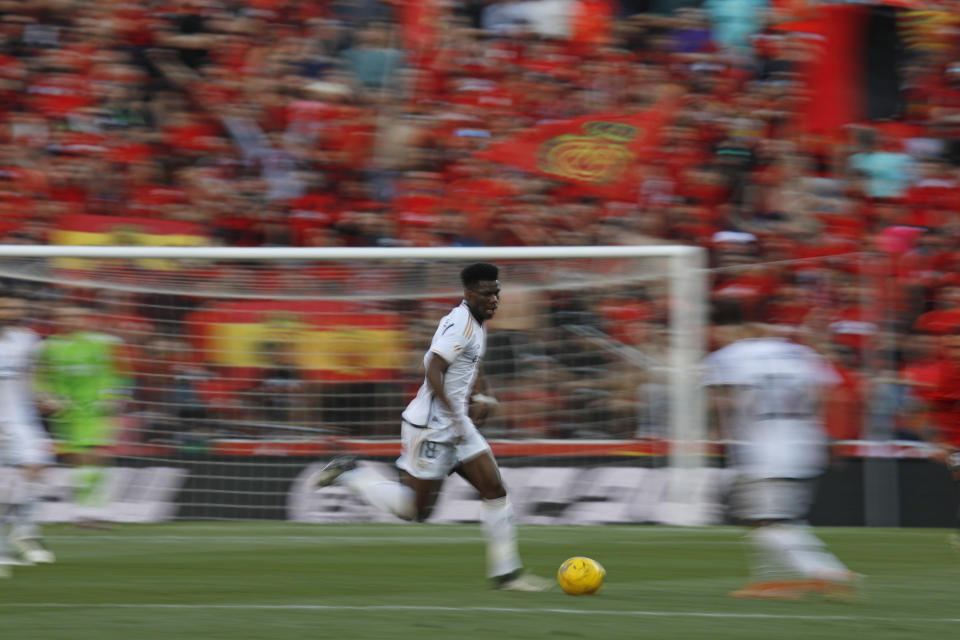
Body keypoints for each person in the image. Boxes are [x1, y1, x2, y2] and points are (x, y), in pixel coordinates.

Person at [310, 262, 552, 591]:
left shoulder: (475, 322)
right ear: (469, 294)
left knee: (495, 490)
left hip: (457, 424)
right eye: (487, 294)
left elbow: (469, 362)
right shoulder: (461, 325)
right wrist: (453, 414)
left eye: (497, 293)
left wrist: (483, 393)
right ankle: (353, 473)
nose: (494, 300)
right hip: (431, 427)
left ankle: (507, 575)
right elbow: (434, 369)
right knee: (415, 512)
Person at [704, 299, 859, 601]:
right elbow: (831, 393)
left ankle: (827, 570)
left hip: (762, 448)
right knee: (784, 518)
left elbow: (723, 402)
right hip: (804, 443)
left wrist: (720, 432)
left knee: (765, 522)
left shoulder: (729, 356)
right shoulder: (802, 354)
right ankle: (772, 582)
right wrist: (831, 437)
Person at [37, 304, 128, 526]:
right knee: (78, 459)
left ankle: (95, 508)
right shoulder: (47, 347)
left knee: (96, 454)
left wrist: (116, 395)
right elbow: (40, 376)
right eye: (63, 316)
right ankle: (85, 510)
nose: (70, 320)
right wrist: (45, 397)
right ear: (55, 319)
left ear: (85, 318)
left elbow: (121, 372)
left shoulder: (103, 342)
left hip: (97, 409)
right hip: (66, 411)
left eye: (75, 316)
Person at [0, 295, 56, 575]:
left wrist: (45, 397)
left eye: (15, 306)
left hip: (22, 421)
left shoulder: (28, 339)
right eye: (6, 306)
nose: (13, 310)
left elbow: (34, 376)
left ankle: (23, 532)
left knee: (37, 470)